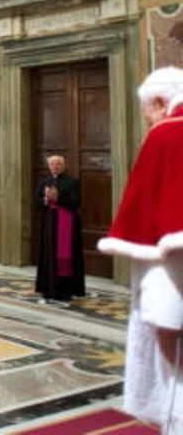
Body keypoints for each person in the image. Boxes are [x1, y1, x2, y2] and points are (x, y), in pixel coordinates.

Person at [98, 67, 183, 432]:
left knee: (168, 339)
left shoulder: (165, 135)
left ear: (161, 102)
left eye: (147, 111)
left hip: (170, 266)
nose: (147, 120)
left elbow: (147, 208)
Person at [35, 155, 85, 302]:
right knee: (49, 254)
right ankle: (48, 288)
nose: (55, 166)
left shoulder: (72, 182)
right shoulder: (45, 181)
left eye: (58, 164)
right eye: (52, 164)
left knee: (65, 255)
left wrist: (58, 198)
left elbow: (76, 201)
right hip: (49, 222)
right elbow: (37, 201)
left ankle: (65, 290)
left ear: (63, 166)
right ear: (49, 166)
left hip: (66, 222)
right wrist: (45, 200)